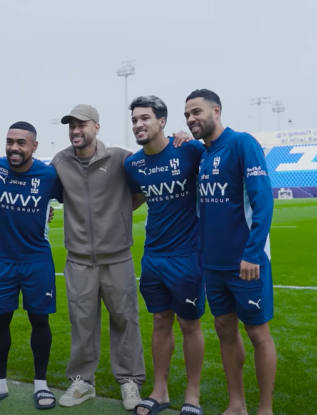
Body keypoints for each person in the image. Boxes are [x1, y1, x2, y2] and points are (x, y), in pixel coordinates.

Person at [51, 104, 192, 410]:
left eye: (82, 125)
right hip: (78, 260)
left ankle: (129, 381)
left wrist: (180, 137)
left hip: (117, 257)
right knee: (81, 323)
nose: (76, 131)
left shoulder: (120, 158)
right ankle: (83, 382)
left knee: (125, 321)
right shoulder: (59, 162)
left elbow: (144, 184)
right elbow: (41, 191)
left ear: (96, 127)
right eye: (71, 126)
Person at [184, 89, 276, 415]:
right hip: (212, 263)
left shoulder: (242, 143)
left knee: (258, 333)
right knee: (224, 329)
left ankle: (265, 409)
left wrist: (252, 254)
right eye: (187, 115)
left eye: (196, 112)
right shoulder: (203, 155)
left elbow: (263, 202)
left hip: (247, 262)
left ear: (216, 111)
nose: (191, 119)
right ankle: (237, 404)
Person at [123, 96, 206, 415]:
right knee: (159, 321)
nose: (138, 124)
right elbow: (132, 200)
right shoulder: (133, 165)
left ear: (162, 121)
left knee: (189, 324)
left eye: (145, 118)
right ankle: (160, 391)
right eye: (134, 120)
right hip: (153, 255)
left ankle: (192, 395)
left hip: (187, 254)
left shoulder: (189, 150)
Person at [0, 121, 62, 410]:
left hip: (37, 261)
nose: (14, 147)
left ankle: (41, 384)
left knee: (40, 321)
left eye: (21, 142)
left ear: (34, 146)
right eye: (10, 141)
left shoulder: (49, 175)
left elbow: (76, 195)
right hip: (1, 261)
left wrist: (46, 210)